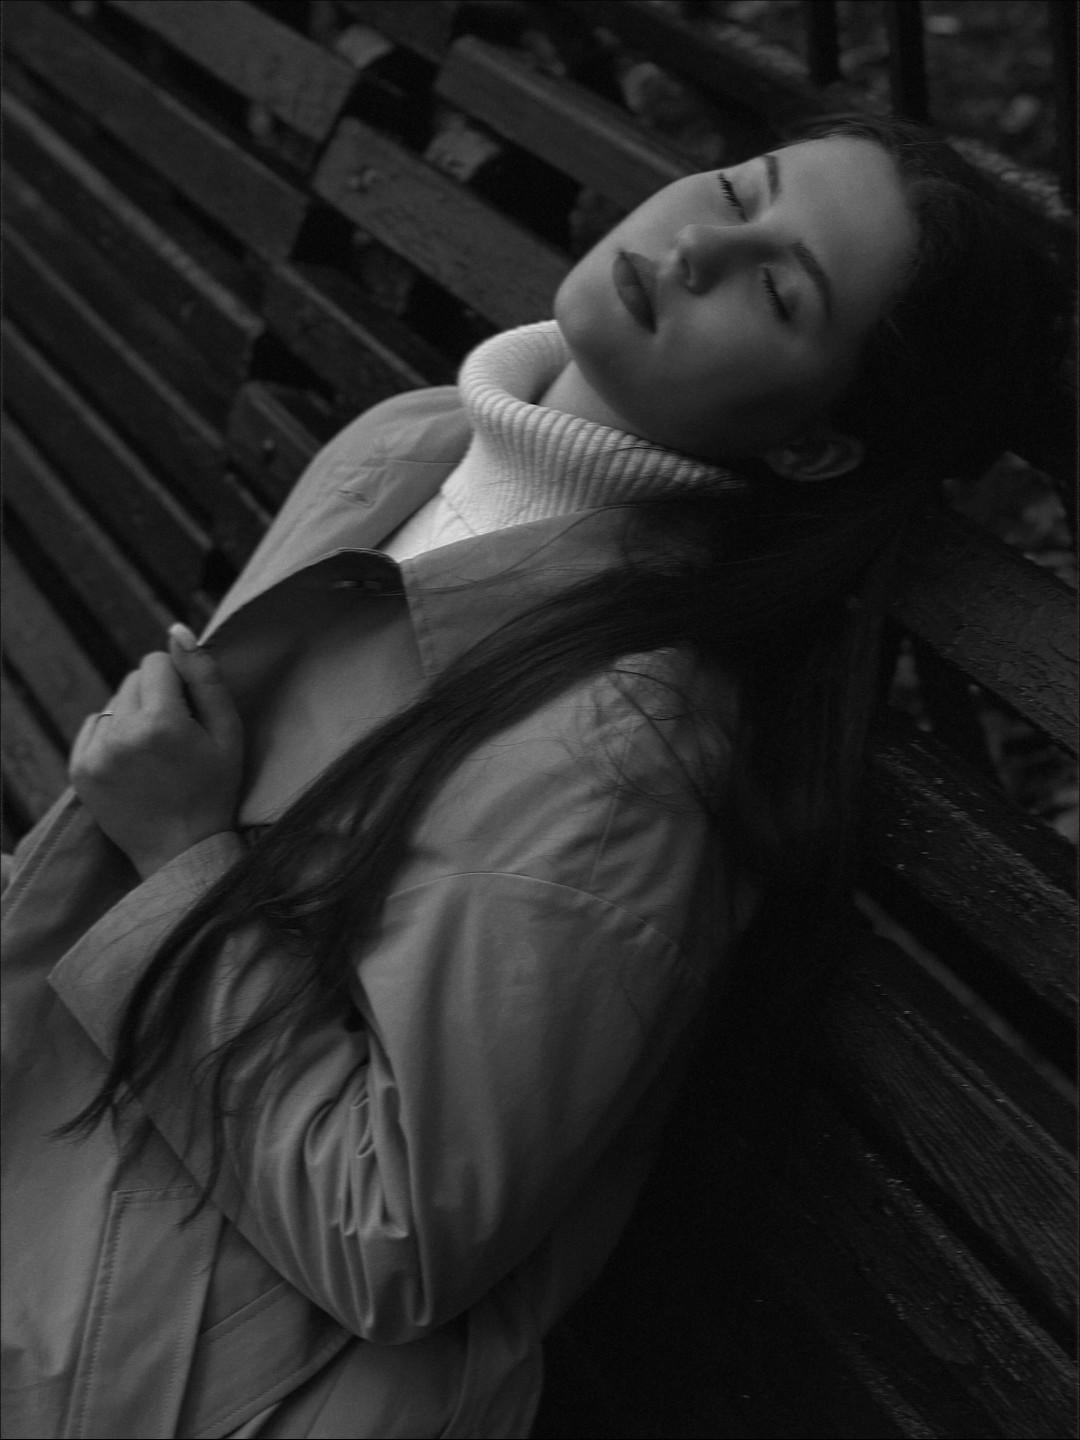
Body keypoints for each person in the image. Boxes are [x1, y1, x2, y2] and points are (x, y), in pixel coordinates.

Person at [1, 112, 1069, 1439]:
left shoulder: (624, 764)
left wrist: (176, 855)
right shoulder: (405, 447)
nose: (701, 245)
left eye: (780, 290)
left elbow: (393, 1240)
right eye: (740, 189)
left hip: (164, 1373)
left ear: (812, 446)